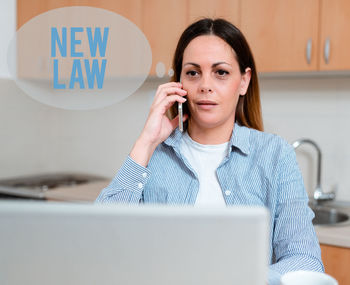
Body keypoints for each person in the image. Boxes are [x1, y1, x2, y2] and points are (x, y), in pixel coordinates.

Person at [96, 18, 324, 285]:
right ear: (178, 82)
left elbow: (306, 260)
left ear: (244, 81)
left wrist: (238, 279)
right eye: (193, 72)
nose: (205, 85)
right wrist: (146, 142)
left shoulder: (275, 155)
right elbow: (101, 240)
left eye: (221, 72)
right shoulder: (153, 156)